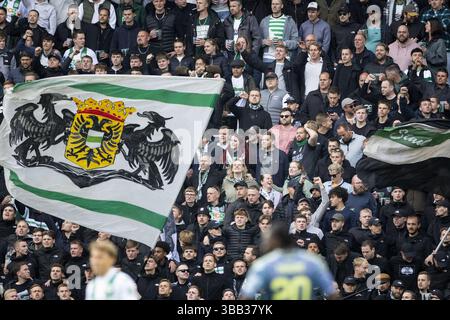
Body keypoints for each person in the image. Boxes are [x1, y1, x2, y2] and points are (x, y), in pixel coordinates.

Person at [240, 222, 337, 300]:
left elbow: (247, 295)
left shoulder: (264, 264)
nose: (265, 242)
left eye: (267, 238)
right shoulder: (312, 261)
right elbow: (331, 293)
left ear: (276, 240)